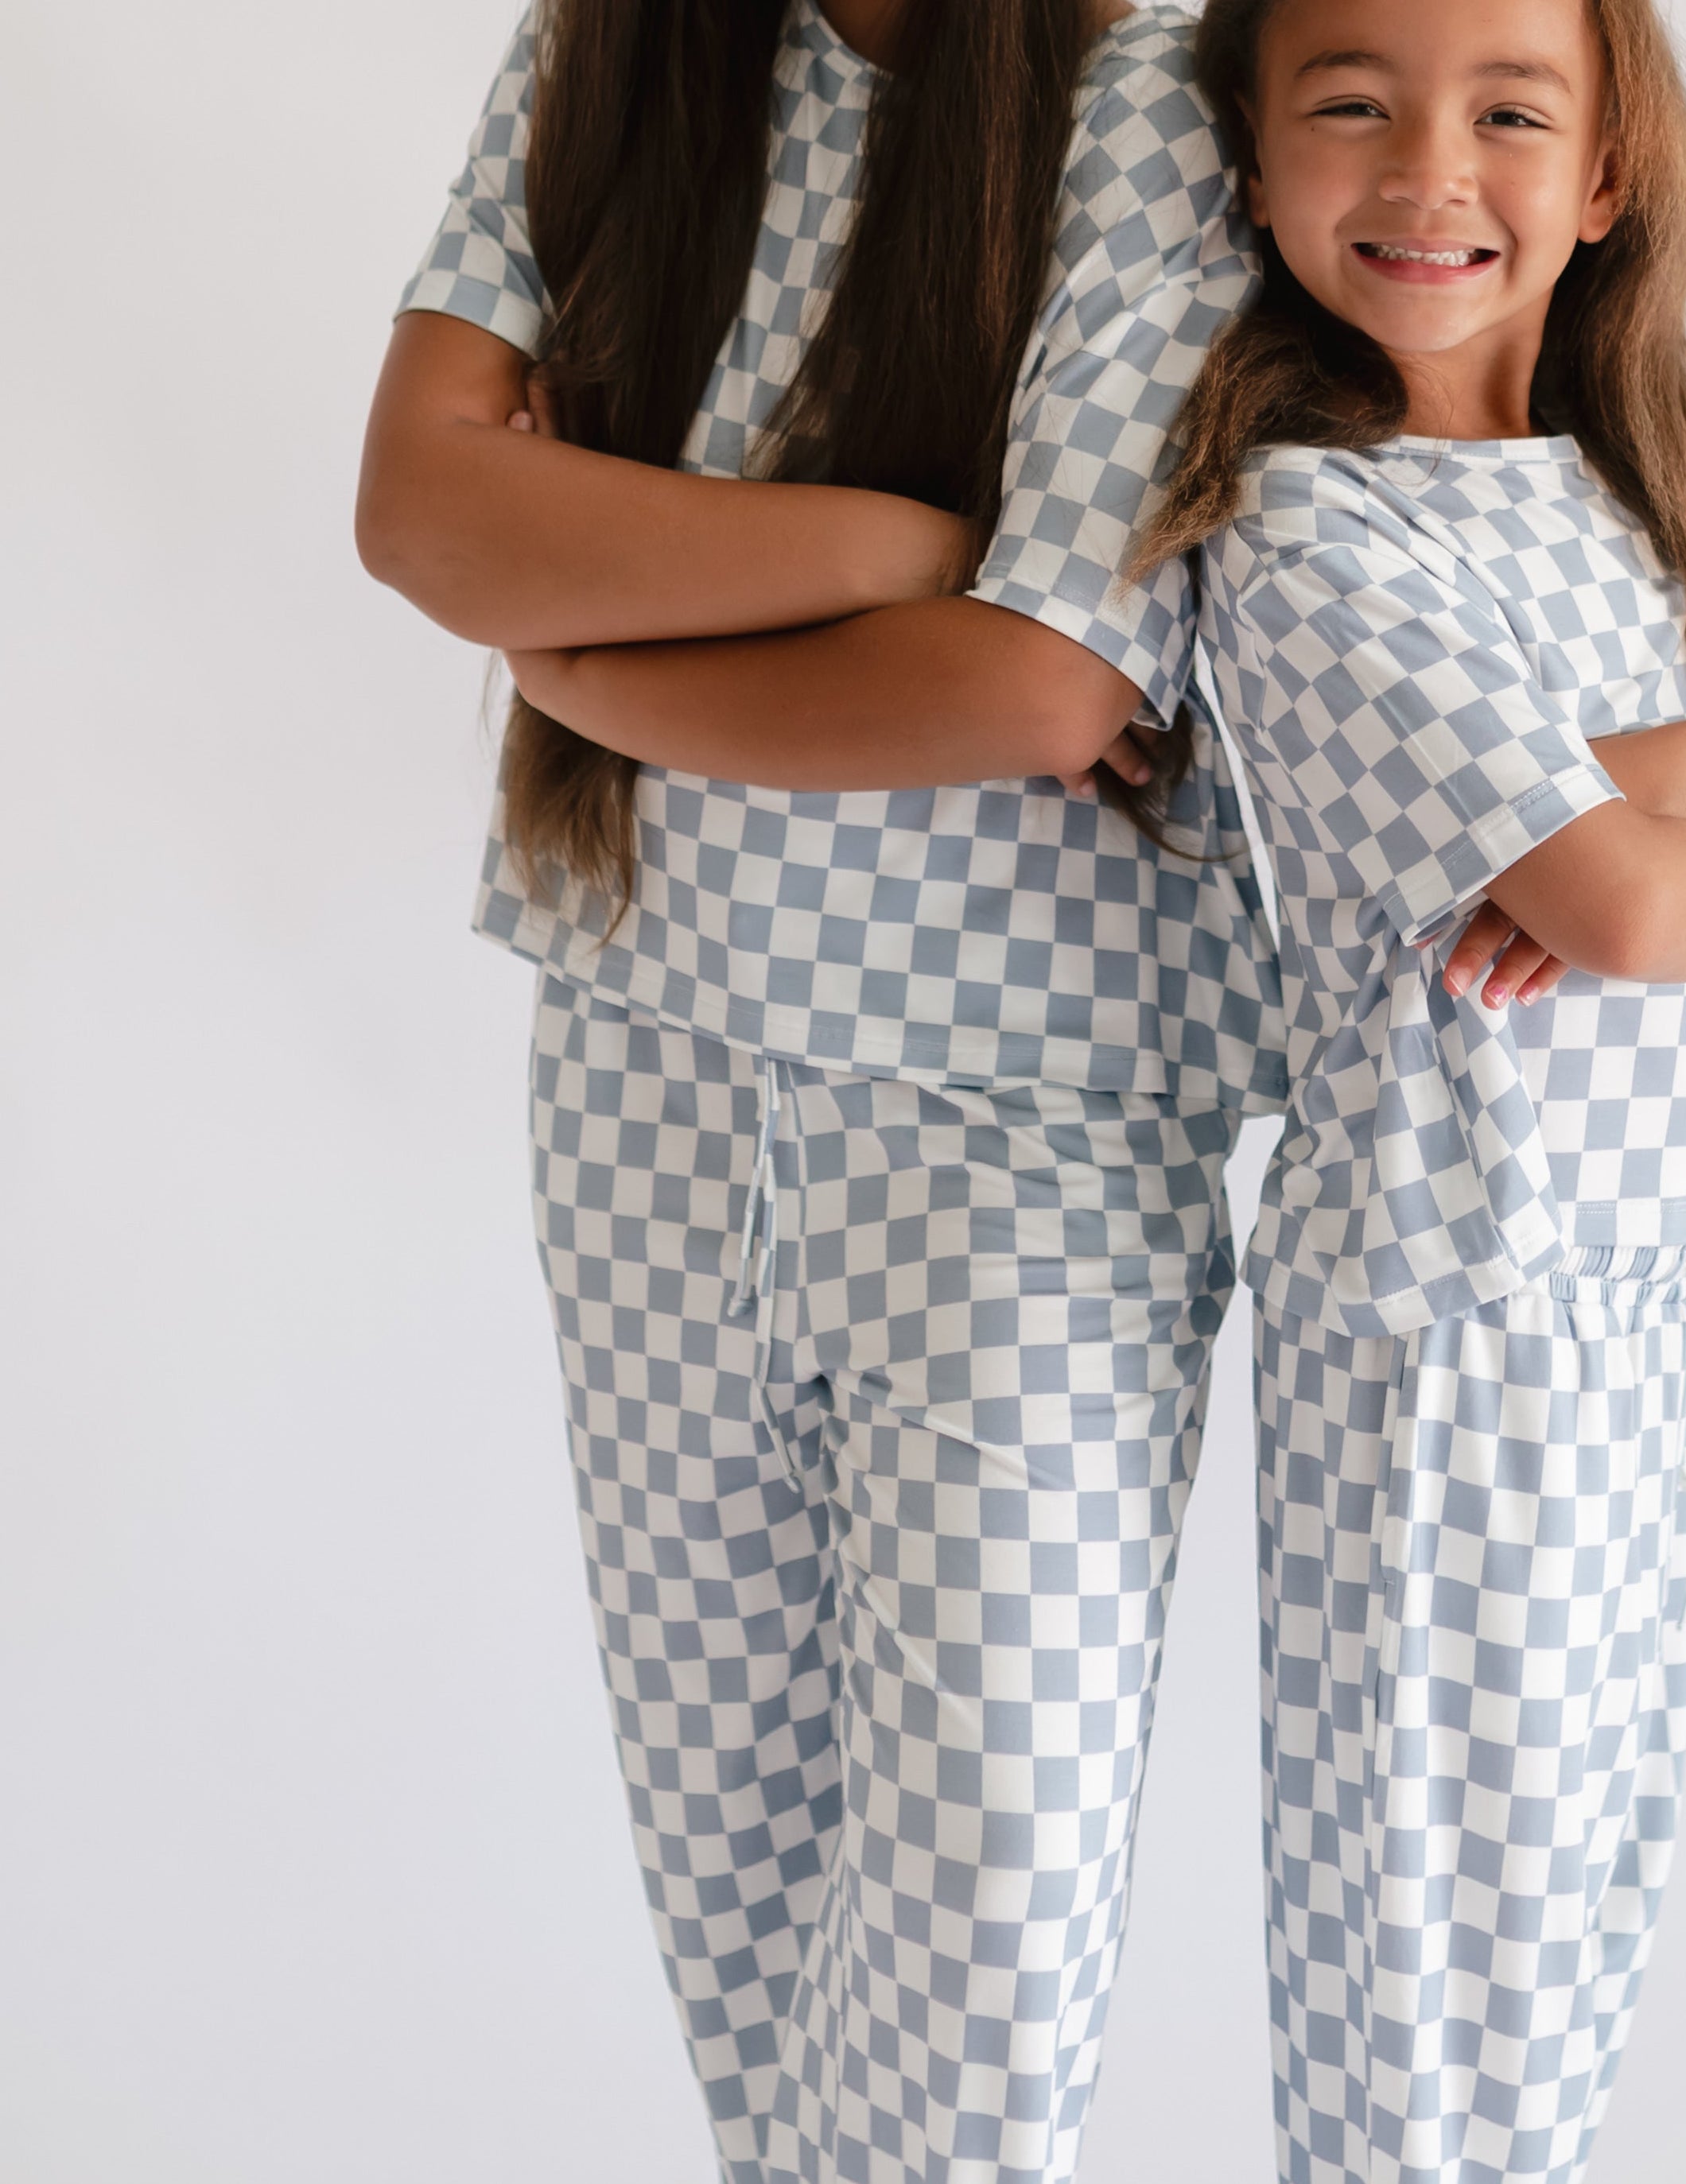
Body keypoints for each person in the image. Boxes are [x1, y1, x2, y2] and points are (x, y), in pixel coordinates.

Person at [354, 6, 1284, 2179]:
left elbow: (1047, 672)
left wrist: (595, 631)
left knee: (985, 1965)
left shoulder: (1161, 76)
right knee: (749, 1944)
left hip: (1032, 1118)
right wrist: (895, 548)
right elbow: (421, 508)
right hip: (647, 1067)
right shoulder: (616, 46)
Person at [1115, 0, 1686, 2175]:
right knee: (1426, 1949)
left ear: (1602, 180)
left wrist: (1658, 792)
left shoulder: (1660, 487)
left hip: (1643, 1276)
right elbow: (1635, 910)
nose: (1426, 171)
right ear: (1254, 164)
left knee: (1572, 1913)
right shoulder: (1307, 529)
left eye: (1505, 112)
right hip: (1446, 1308)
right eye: (1349, 106)